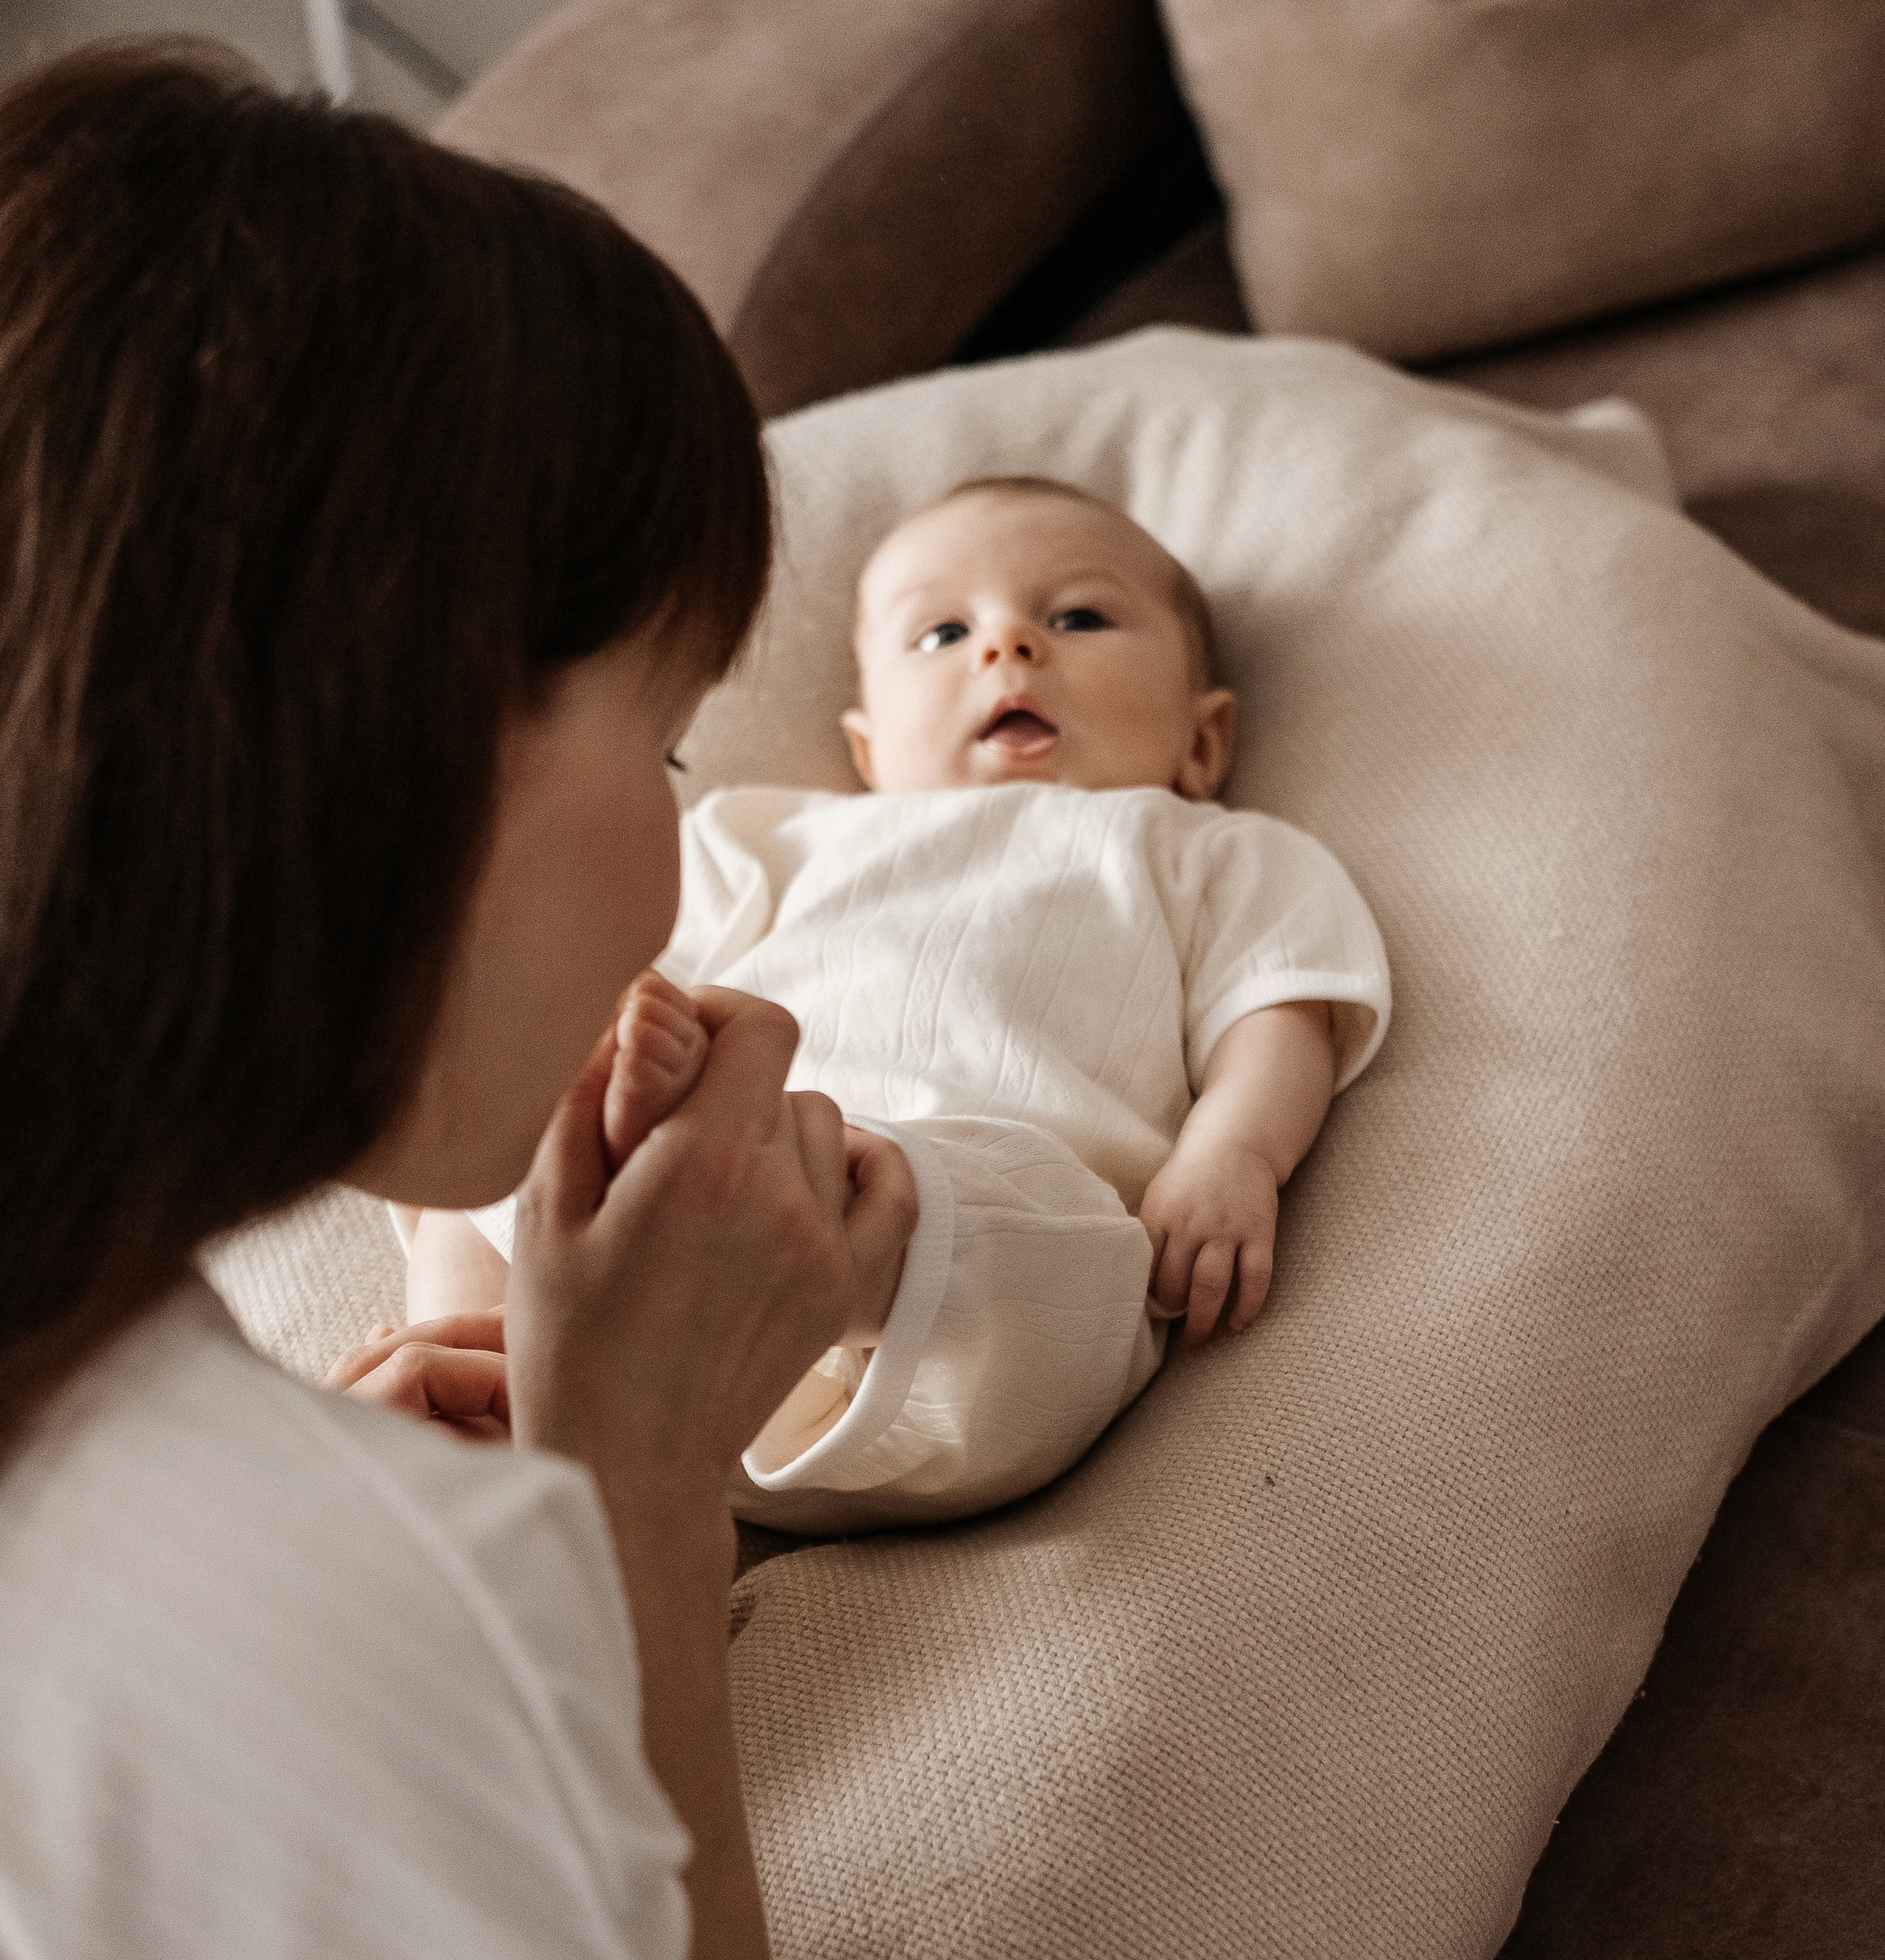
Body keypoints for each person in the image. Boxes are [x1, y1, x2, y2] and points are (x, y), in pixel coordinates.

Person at [0, 43, 916, 1960]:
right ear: (407, 739)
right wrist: (630, 1497)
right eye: (668, 730)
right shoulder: (266, 1621)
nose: (683, 854)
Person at [404, 478, 1391, 1532]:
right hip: (685, 1262)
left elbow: (1279, 1007)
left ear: (1205, 742)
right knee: (516, 1120)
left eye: (1078, 618)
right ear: (870, 754)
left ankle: (851, 1252)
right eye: (944, 632)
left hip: (963, 1333)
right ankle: (487, 1363)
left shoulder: (1201, 847)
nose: (1007, 648)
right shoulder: (777, 834)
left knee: (1081, 1250)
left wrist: (1231, 1154)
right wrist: (629, 1046)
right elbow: (639, 966)